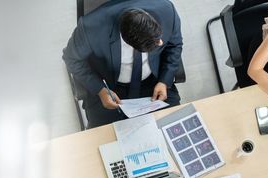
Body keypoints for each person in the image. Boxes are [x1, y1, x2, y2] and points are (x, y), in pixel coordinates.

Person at [62, 0, 183, 128]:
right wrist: (100, 90)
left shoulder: (167, 10)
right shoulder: (90, 28)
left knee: (176, 129)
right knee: (105, 140)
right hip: (109, 88)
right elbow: (71, 59)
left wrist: (164, 81)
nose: (160, 43)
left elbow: (174, 45)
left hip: (154, 83)